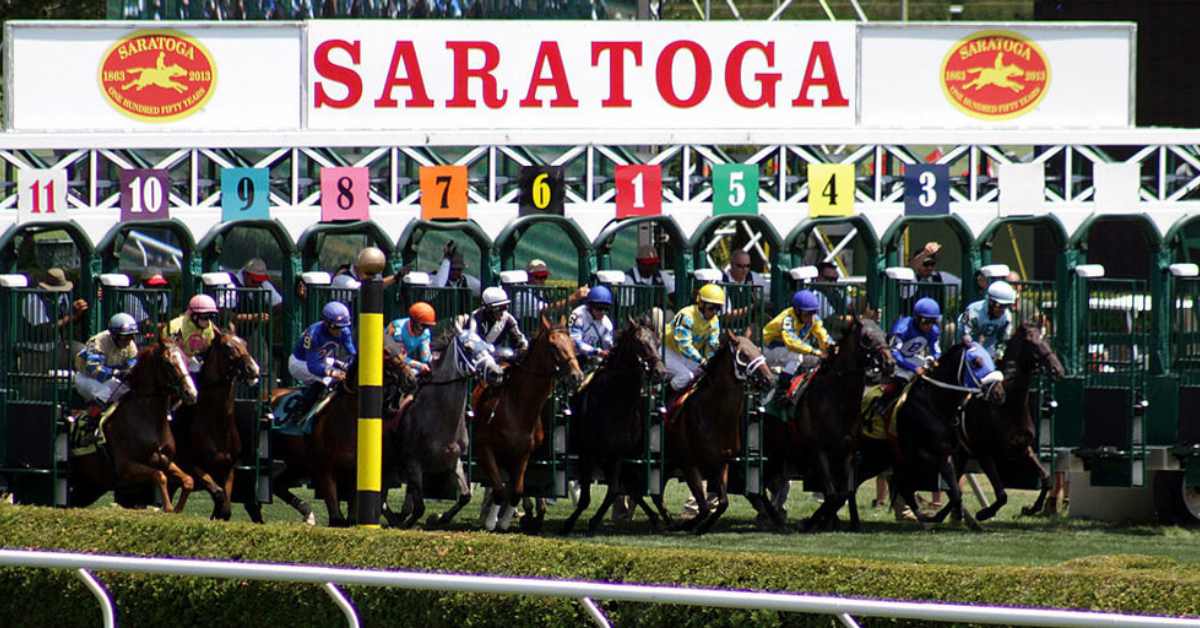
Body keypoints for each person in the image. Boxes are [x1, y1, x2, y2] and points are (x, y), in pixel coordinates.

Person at [287, 301, 356, 423]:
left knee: (343, 368)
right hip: (300, 363)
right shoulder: (313, 335)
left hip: (322, 360)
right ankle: (300, 410)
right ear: (326, 323)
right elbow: (312, 366)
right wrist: (332, 373)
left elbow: (352, 353)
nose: (340, 331)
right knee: (328, 380)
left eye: (343, 326)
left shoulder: (344, 331)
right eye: (336, 327)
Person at [664, 283, 724, 394]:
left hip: (686, 357)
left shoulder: (714, 321)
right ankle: (664, 401)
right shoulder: (686, 315)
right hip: (667, 351)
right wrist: (701, 360)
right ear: (701, 304)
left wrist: (711, 361)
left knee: (704, 374)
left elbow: (712, 345)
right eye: (711, 308)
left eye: (718, 309)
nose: (715, 313)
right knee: (685, 376)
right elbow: (684, 346)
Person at [74, 313, 139, 410]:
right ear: (114, 335)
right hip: (86, 377)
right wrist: (117, 373)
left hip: (110, 379)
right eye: (125, 337)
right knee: (106, 393)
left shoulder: (131, 345)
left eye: (131, 336)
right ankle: (89, 420)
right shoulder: (97, 341)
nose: (128, 341)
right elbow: (94, 369)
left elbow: (132, 367)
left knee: (128, 392)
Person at [762, 290, 830, 374]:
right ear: (797, 311)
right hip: (765, 350)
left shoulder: (813, 319)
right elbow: (792, 343)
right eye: (808, 313)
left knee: (816, 360)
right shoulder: (788, 318)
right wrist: (815, 351)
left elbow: (822, 335)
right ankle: (783, 385)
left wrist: (829, 347)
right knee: (796, 356)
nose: (811, 317)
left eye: (814, 312)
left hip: (783, 351)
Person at [465, 286, 528, 365]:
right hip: (477, 359)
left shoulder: (507, 318)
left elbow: (519, 339)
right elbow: (471, 342)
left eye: (505, 307)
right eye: (499, 308)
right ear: (488, 309)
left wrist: (523, 348)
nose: (503, 312)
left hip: (497, 356)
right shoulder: (475, 318)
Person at [957, 280, 1015, 359]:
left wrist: (998, 355)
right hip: (963, 346)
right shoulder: (972, 311)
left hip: (988, 349)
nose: (1002, 310)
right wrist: (976, 354)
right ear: (990, 301)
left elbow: (1003, 340)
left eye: (1006, 306)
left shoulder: (1006, 318)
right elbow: (965, 337)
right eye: (999, 305)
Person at [169, 295, 220, 373]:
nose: (208, 321)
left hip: (196, 360)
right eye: (205, 316)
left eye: (211, 316)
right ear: (194, 316)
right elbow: (169, 351)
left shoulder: (210, 328)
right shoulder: (175, 326)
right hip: (175, 362)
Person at [568, 285, 614, 364]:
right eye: (599, 308)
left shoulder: (607, 324)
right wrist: (597, 352)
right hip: (572, 356)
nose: (603, 312)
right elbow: (575, 342)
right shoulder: (577, 315)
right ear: (590, 306)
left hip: (591, 358)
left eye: (606, 308)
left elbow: (608, 346)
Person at [386, 302, 436, 375]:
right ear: (412, 322)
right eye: (422, 325)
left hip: (400, 362)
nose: (424, 329)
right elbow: (399, 357)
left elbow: (426, 358)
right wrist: (419, 365)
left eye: (427, 326)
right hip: (386, 360)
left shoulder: (426, 333)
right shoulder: (397, 329)